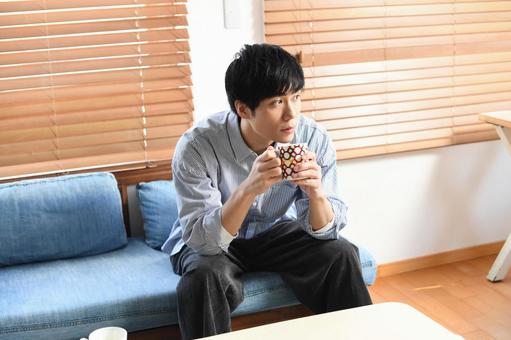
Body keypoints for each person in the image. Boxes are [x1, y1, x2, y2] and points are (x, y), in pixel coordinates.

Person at [161, 43, 372, 340]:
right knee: (202, 278)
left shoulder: (313, 138)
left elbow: (327, 232)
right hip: (213, 240)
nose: (291, 114)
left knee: (341, 253)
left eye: (296, 98)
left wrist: (316, 193)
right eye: (276, 103)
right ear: (243, 109)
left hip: (274, 232)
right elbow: (203, 241)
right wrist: (248, 189)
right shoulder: (197, 147)